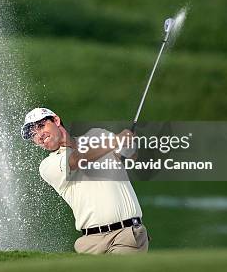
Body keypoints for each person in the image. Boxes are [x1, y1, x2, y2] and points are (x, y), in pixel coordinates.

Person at [21, 107, 149, 254]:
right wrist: (115, 141)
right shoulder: (47, 166)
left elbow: (130, 156)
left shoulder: (97, 135)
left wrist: (129, 144)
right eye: (33, 135)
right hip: (89, 243)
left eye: (41, 126)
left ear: (56, 120)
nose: (39, 135)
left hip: (126, 235)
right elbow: (77, 159)